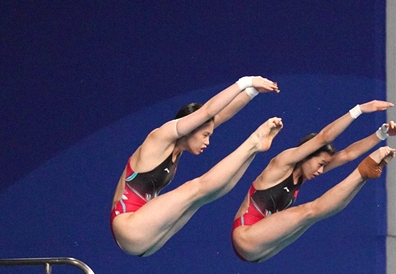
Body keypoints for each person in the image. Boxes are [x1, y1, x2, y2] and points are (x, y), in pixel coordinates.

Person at [111, 76, 281, 257]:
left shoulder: (177, 148)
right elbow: (208, 111)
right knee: (194, 188)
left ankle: (252, 150)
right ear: (191, 128)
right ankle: (253, 143)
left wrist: (252, 92)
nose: (207, 141)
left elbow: (220, 116)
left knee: (202, 197)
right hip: (129, 226)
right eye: (205, 135)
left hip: (146, 238)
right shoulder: (160, 137)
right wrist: (246, 82)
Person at [230, 100, 396, 263]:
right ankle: (363, 171)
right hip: (246, 237)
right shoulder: (283, 162)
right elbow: (324, 137)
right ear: (307, 155)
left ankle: (364, 175)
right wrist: (359, 110)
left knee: (314, 216)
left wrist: (381, 134)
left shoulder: (304, 174)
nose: (321, 171)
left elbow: (347, 155)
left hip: (263, 250)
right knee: (308, 211)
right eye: (320, 164)